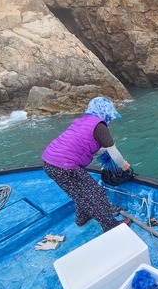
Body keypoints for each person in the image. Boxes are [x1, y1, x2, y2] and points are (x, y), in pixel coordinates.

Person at [41, 96, 132, 232]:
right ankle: (111, 226)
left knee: (78, 193)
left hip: (49, 162)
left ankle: (81, 218)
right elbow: (115, 153)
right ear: (106, 111)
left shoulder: (81, 121)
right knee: (97, 194)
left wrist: (105, 154)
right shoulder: (100, 127)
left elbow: (84, 146)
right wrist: (123, 165)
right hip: (65, 166)